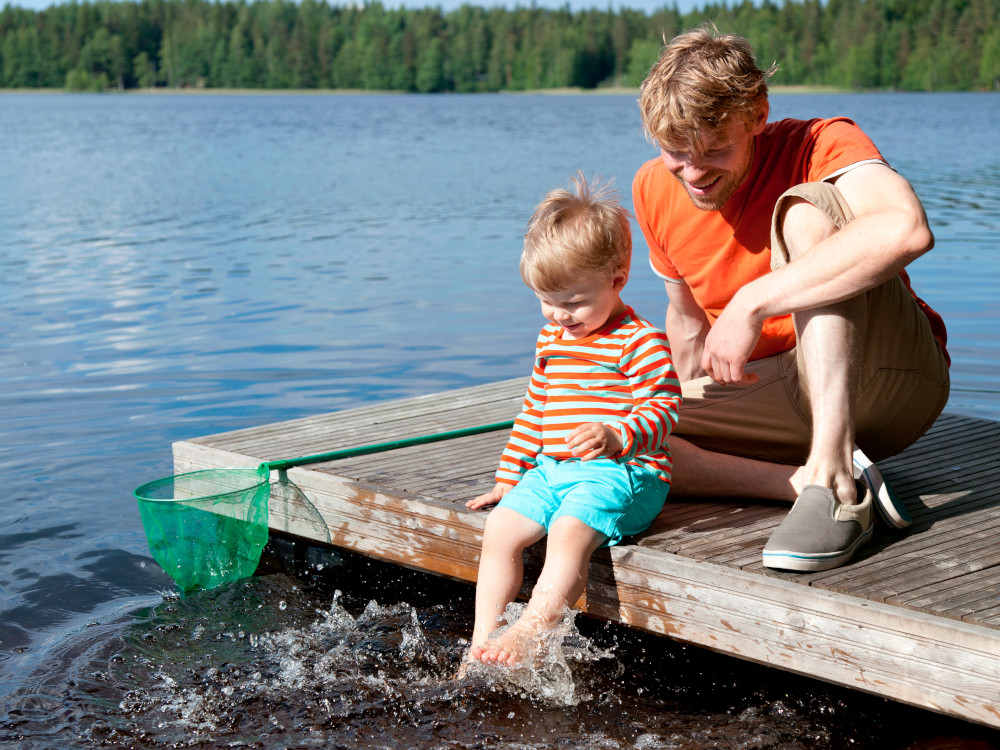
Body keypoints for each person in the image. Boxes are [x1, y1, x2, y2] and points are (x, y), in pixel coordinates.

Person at [632, 25, 950, 572]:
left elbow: (905, 229)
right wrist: (670, 402)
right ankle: (803, 483)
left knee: (808, 207)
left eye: (715, 150)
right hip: (775, 392)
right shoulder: (652, 189)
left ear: (757, 115)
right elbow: (684, 321)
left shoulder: (820, 140)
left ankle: (835, 482)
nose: (694, 173)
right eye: (676, 153)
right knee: (622, 433)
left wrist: (752, 302)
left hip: (890, 377)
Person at [464, 173, 681, 666]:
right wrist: (507, 478)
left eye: (574, 302)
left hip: (625, 473)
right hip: (552, 470)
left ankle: (533, 629)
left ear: (618, 278)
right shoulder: (552, 340)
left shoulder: (638, 341)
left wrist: (616, 434)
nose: (559, 315)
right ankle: (481, 640)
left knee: (567, 529)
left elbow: (665, 409)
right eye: (547, 301)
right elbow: (534, 410)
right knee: (500, 529)